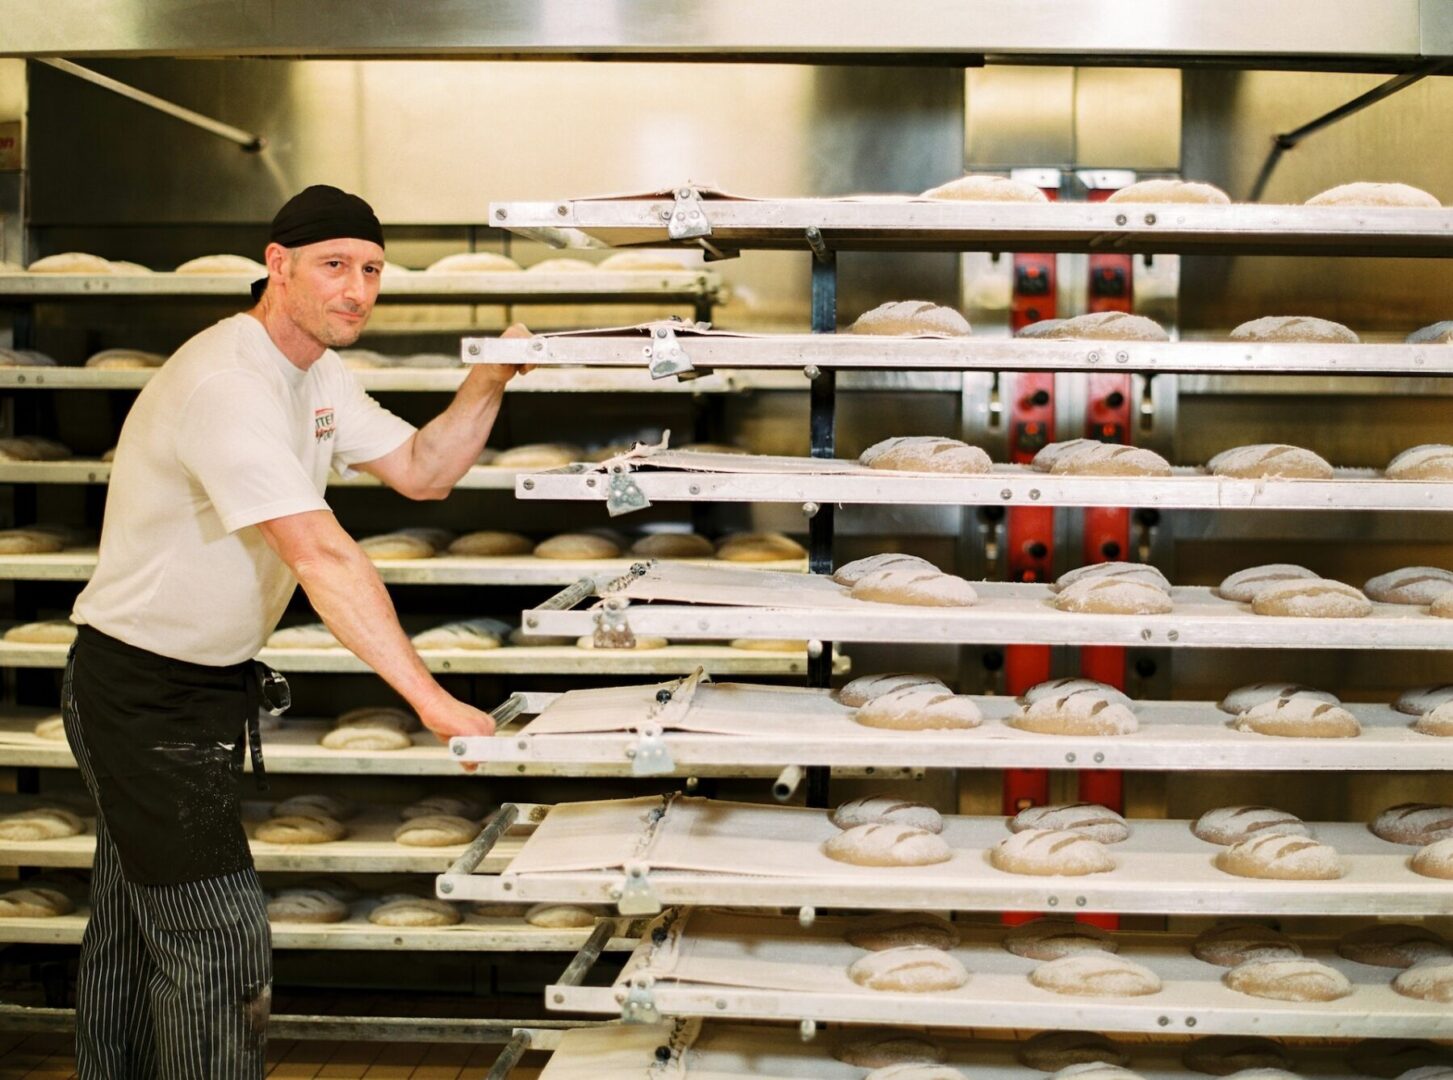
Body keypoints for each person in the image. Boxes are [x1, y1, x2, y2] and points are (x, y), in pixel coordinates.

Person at [63, 185, 527, 1078]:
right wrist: (433, 702)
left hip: (194, 690)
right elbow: (321, 552)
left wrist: (491, 378)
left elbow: (424, 473)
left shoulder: (314, 371)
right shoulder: (227, 382)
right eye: (333, 266)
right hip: (138, 697)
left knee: (132, 933)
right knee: (219, 948)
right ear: (276, 266)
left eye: (371, 270)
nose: (356, 289)